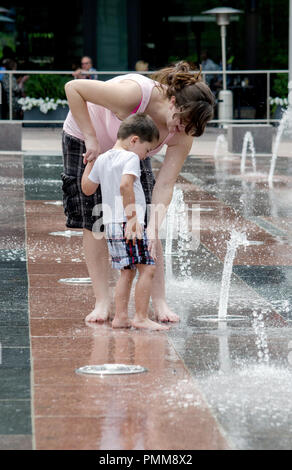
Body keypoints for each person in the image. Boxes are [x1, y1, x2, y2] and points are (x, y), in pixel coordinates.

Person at [62, 60, 215, 324]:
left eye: (186, 130)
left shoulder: (184, 130)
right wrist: (91, 138)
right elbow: (73, 88)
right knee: (94, 221)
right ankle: (102, 302)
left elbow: (165, 185)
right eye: (179, 124)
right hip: (87, 137)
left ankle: (160, 302)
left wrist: (153, 229)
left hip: (132, 147)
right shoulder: (134, 94)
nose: (178, 131)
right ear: (173, 102)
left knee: (145, 224)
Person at [81, 113, 169, 331]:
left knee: (127, 271)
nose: (144, 156)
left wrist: (89, 162)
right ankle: (140, 317)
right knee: (148, 268)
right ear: (134, 140)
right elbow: (125, 186)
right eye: (147, 150)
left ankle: (120, 318)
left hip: (111, 224)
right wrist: (133, 220)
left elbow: (87, 189)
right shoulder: (130, 157)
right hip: (127, 222)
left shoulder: (103, 159)